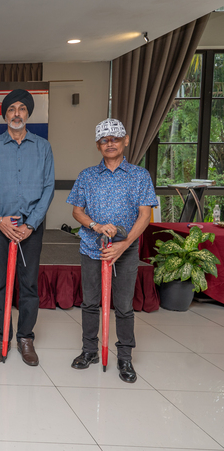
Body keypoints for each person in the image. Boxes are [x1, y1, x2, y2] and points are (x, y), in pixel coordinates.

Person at [67, 118, 157, 383]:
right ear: (98, 145)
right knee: (90, 302)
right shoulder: (87, 175)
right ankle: (89, 351)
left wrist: (123, 244)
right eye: (104, 140)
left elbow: (145, 215)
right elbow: (77, 211)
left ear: (125, 141)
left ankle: (125, 357)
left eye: (115, 139)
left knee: (124, 305)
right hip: (91, 248)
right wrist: (95, 226)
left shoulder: (139, 175)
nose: (110, 144)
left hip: (125, 250)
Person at [0, 89, 55, 367]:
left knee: (29, 284)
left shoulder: (43, 147)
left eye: (22, 108)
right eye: (11, 109)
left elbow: (49, 188)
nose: (16, 113)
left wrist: (31, 224)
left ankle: (25, 337)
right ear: (4, 115)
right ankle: (2, 337)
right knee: (0, 284)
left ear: (28, 114)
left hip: (29, 229)